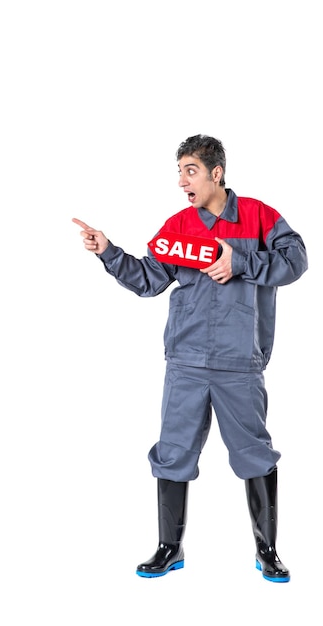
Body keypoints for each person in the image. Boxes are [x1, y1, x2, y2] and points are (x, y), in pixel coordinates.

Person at [72, 134, 308, 583]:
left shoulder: (260, 217)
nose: (181, 180)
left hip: (241, 361)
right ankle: (169, 547)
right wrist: (108, 251)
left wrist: (240, 262)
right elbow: (148, 279)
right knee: (173, 453)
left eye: (190, 170)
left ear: (216, 173)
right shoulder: (179, 225)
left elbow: (295, 260)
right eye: (179, 171)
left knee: (254, 453)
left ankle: (268, 549)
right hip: (187, 361)